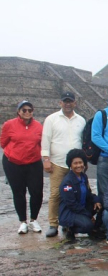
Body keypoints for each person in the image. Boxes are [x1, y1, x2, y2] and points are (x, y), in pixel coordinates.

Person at [41, 92, 87, 237]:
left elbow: (83, 141)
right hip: (58, 163)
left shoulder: (81, 120)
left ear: (75, 103)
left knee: (78, 194)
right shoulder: (51, 119)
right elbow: (45, 139)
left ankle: (70, 222)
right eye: (65, 101)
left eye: (70, 101)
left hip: (77, 166)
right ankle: (53, 224)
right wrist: (46, 159)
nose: (68, 104)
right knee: (55, 194)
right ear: (60, 103)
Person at [1, 100, 44, 234]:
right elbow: (3, 142)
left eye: (29, 110)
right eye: (24, 110)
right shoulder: (9, 125)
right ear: (18, 111)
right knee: (18, 192)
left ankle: (33, 219)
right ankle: (22, 221)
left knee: (36, 191)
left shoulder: (38, 126)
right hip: (13, 163)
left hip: (34, 163)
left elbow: (41, 143)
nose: (27, 112)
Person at [59, 149, 102, 240]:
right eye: (75, 163)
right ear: (70, 164)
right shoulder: (67, 183)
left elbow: (88, 194)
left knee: (103, 204)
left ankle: (96, 228)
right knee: (87, 225)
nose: (79, 165)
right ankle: (70, 229)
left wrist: (97, 201)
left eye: (80, 162)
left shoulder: (83, 177)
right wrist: (89, 215)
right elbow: (72, 204)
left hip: (82, 208)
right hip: (71, 212)